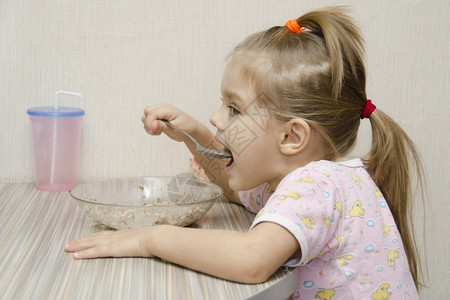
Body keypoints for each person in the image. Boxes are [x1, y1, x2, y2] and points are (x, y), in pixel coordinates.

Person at [65, 7, 424, 299]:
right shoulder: (298, 182)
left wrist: (149, 239)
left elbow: (250, 260)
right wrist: (196, 134)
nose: (217, 117)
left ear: (292, 136)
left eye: (234, 109)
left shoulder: (316, 184)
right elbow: (233, 187)